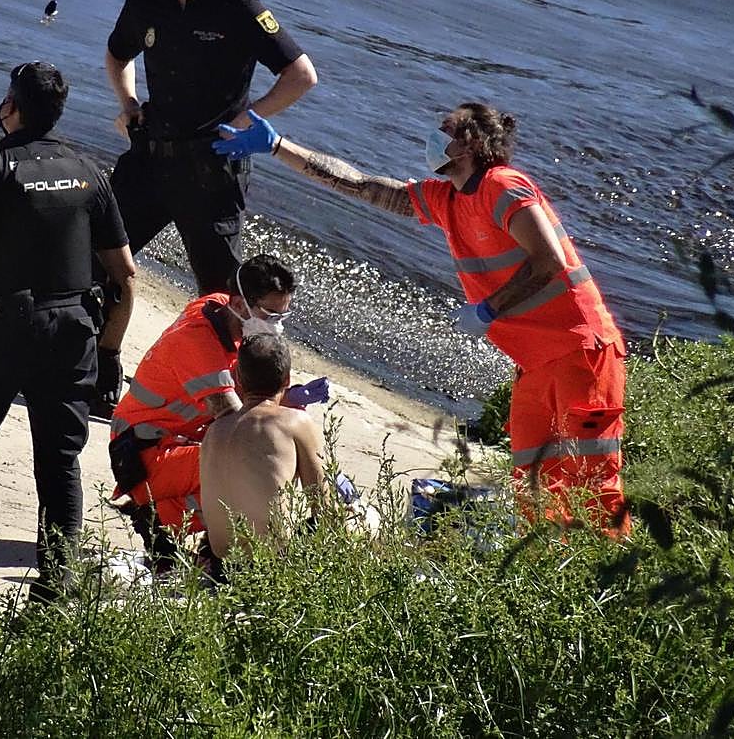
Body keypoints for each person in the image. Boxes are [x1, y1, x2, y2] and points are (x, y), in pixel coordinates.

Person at [213, 104, 630, 535]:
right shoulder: (447, 200)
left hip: (581, 351)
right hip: (535, 364)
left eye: (445, 129)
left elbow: (550, 259)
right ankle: (554, 567)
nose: (434, 135)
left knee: (593, 484)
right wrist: (279, 147)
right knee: (536, 486)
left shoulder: (502, 186)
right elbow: (362, 185)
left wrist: (490, 308)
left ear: (469, 143)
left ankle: (613, 567)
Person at [0, 61, 138, 601]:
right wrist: (109, 351)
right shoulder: (89, 170)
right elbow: (124, 274)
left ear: (11, 105)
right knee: (59, 463)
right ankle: (56, 589)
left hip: (4, 331)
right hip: (74, 334)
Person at [94, 0, 318, 414]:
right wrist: (128, 102)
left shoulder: (238, 7)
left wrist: (248, 119)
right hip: (150, 159)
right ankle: (100, 367)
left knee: (222, 299)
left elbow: (301, 75)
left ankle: (233, 405)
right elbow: (117, 53)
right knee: (99, 257)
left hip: (212, 168)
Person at [107, 254, 328, 563]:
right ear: (238, 304)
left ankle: (180, 528)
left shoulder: (220, 308)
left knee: (250, 460)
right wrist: (286, 409)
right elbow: (241, 425)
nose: (276, 326)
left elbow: (247, 405)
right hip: (142, 454)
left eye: (282, 316)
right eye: (270, 315)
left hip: (166, 442)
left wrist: (284, 398)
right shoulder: (199, 343)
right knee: (246, 467)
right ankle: (162, 520)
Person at [199, 333, 327, 564]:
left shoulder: (214, 431)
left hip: (221, 563)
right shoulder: (295, 422)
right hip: (269, 564)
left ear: (238, 378)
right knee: (352, 517)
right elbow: (324, 507)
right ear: (287, 380)